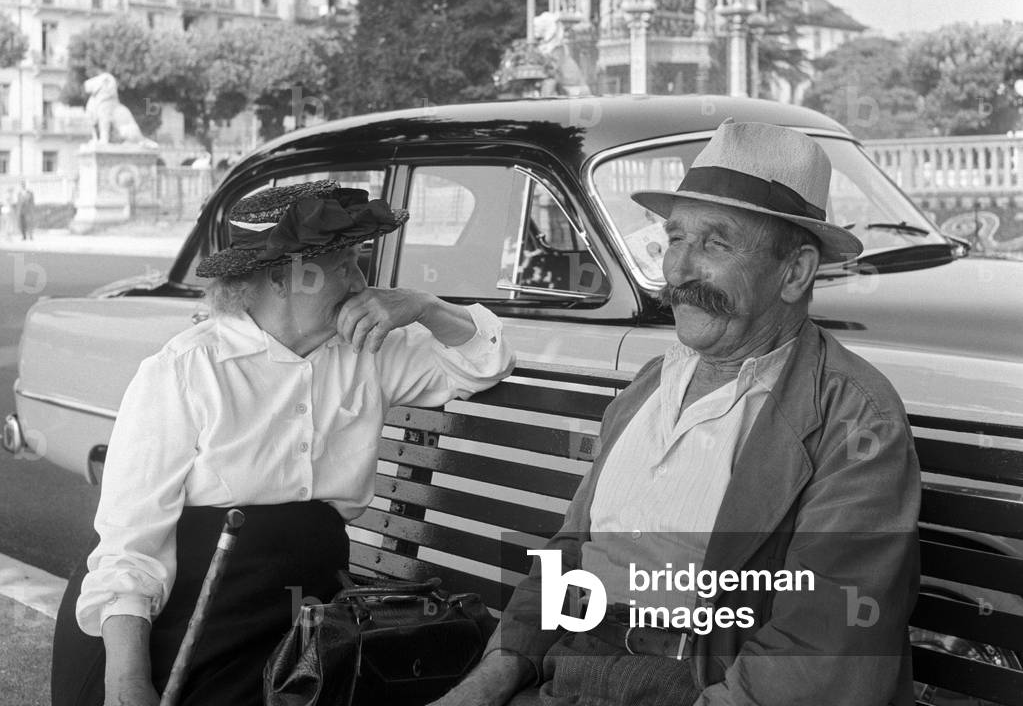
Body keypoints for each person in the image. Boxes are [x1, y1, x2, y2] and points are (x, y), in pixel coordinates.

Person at [433, 121, 920, 706]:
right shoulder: (651, 385)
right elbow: (568, 553)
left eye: (715, 244)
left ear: (795, 272)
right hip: (572, 670)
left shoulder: (855, 419)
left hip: (694, 686)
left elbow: (823, 646)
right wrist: (494, 674)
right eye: (676, 238)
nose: (678, 270)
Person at [51, 180, 515, 706]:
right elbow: (128, 545)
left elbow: (485, 362)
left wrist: (424, 306)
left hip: (300, 618)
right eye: (342, 265)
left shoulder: (369, 352)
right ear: (277, 278)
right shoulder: (185, 371)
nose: (361, 282)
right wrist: (127, 682)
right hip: (179, 617)